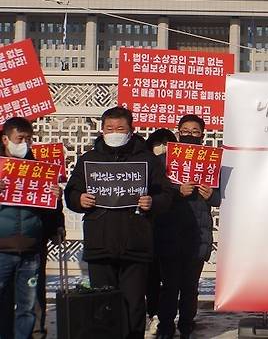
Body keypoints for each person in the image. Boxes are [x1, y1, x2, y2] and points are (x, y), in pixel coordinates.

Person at [64, 107, 173, 339]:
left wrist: (152, 202)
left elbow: (166, 195)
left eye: (120, 128)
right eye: (109, 128)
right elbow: (72, 192)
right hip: (99, 243)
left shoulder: (146, 160)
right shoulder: (89, 159)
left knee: (133, 304)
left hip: (136, 243)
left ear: (131, 130)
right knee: (102, 303)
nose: (114, 132)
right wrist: (78, 199)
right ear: (102, 130)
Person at [154, 115, 221, 339]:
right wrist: (175, 192)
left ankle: (186, 323)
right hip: (169, 230)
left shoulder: (211, 161)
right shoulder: (164, 161)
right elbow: (154, 193)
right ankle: (165, 324)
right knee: (169, 284)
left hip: (198, 232)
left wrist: (211, 194)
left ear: (202, 134)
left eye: (194, 131)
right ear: (178, 131)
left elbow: (220, 197)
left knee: (190, 285)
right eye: (185, 130)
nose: (189, 135)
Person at [0, 117, 63, 339]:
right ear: (6, 139)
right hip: (1, 250)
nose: (24, 143)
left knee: (26, 306)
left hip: (31, 249)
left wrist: (56, 200)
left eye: (29, 139)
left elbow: (50, 212)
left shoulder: (39, 170)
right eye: (20, 138)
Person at [144, 128, 177, 336]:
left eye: (167, 144)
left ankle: (166, 320)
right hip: (148, 232)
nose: (162, 148)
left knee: (170, 280)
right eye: (158, 144)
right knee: (151, 278)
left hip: (173, 233)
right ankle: (152, 314)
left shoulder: (179, 166)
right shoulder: (145, 166)